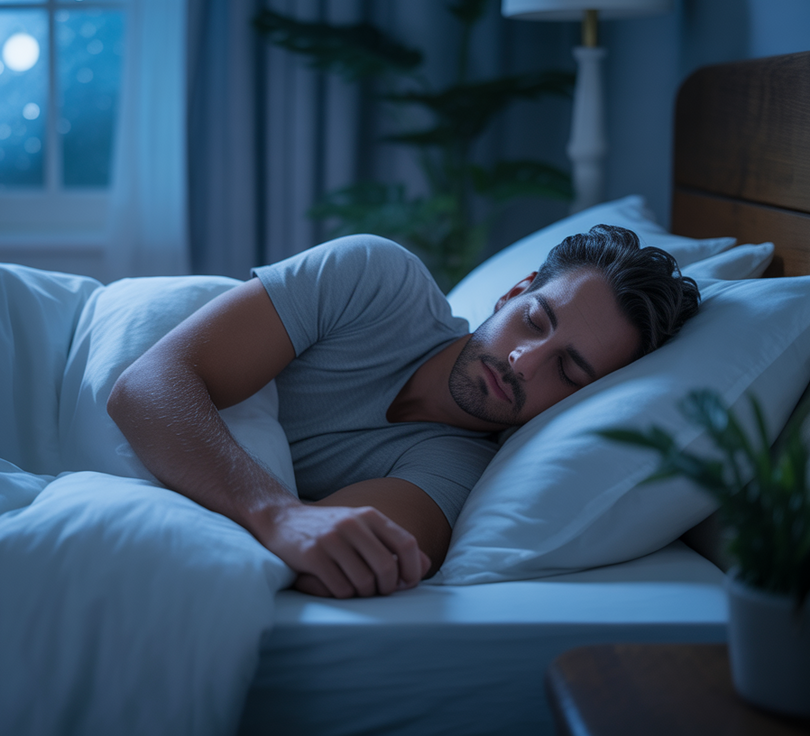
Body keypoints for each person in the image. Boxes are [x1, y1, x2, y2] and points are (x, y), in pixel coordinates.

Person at [107, 225, 699, 600]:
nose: (522, 362)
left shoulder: (455, 477)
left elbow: (323, 567)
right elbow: (144, 383)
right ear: (512, 293)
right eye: (536, 321)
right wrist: (276, 511)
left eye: (569, 371)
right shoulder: (378, 280)